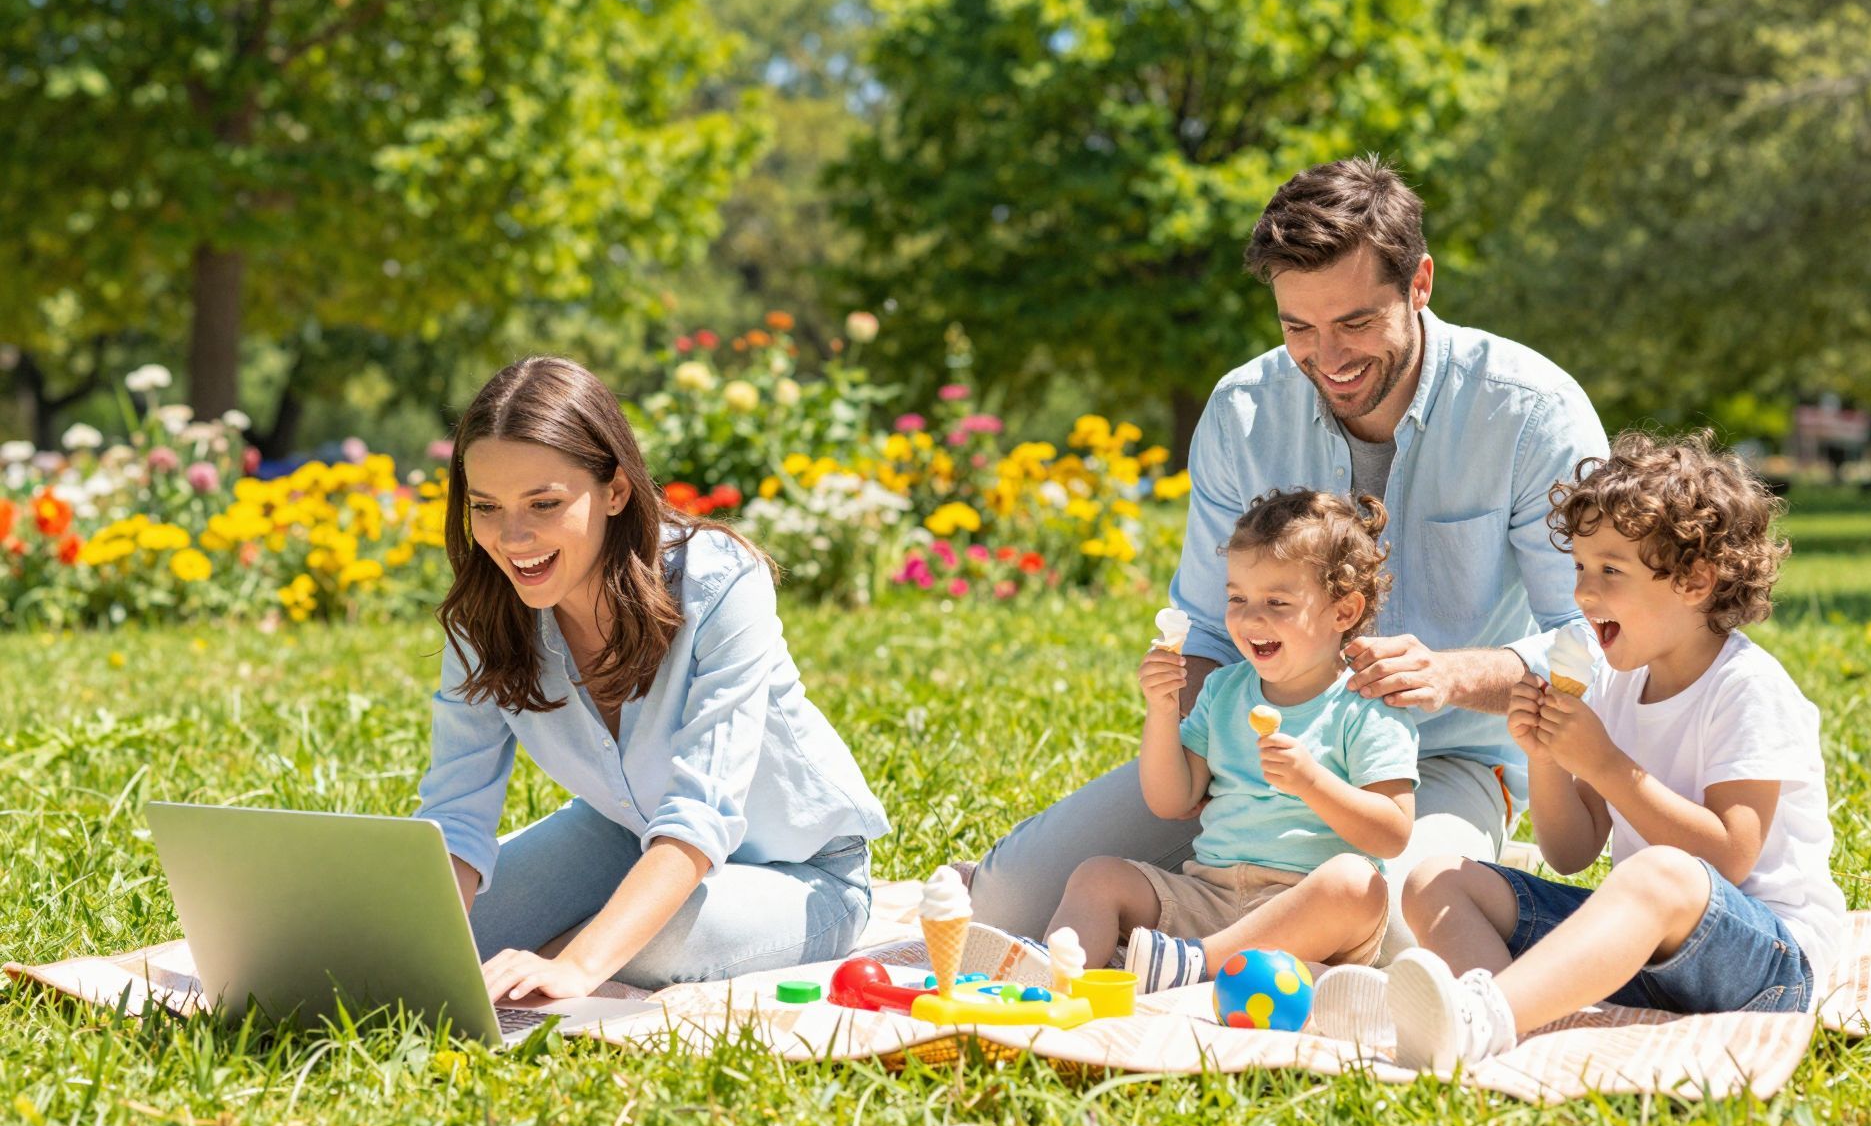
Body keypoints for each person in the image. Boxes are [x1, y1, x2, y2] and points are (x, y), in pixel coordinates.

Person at [968, 157, 1608, 960]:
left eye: (1354, 323)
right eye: (1297, 327)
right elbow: (1206, 625)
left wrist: (1453, 675)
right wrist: (1195, 739)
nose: (1326, 358)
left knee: (1410, 933)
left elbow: (1599, 639)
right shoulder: (1243, 411)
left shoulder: (1529, 413)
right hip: (1249, 757)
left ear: (1420, 284)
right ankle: (1230, 938)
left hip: (1443, 758)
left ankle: (1204, 958)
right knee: (1006, 904)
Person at [1318, 432, 1846, 1070]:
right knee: (1437, 880)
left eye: (1610, 571)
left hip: (1768, 964)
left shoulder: (1748, 689)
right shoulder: (1617, 682)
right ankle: (1491, 1020)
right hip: (1650, 958)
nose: (1583, 595)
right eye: (1580, 568)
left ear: (1696, 580)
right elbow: (1571, 855)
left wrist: (1602, 763)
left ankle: (1481, 1015)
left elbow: (1729, 859)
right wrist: (1546, 752)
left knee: (1659, 872)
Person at [413, 357, 889, 1000]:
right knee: (432, 939)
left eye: (544, 503)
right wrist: (431, 943)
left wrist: (576, 964)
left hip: (805, 873)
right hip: (620, 836)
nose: (512, 536)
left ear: (615, 490)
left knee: (636, 949)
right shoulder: (484, 617)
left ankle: (562, 965)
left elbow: (701, 813)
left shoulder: (720, 582)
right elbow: (456, 812)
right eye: (487, 506)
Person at [1043, 490, 1418, 993]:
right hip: (1210, 895)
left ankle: (1198, 967)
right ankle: (1055, 984)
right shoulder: (1224, 691)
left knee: (1356, 883)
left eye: (1277, 602)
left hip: (1307, 910)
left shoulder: (1367, 703)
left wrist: (1310, 782)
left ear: (1344, 612)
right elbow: (1170, 799)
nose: (1249, 618)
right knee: (1098, 876)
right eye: (1237, 598)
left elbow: (1391, 833)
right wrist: (1160, 709)